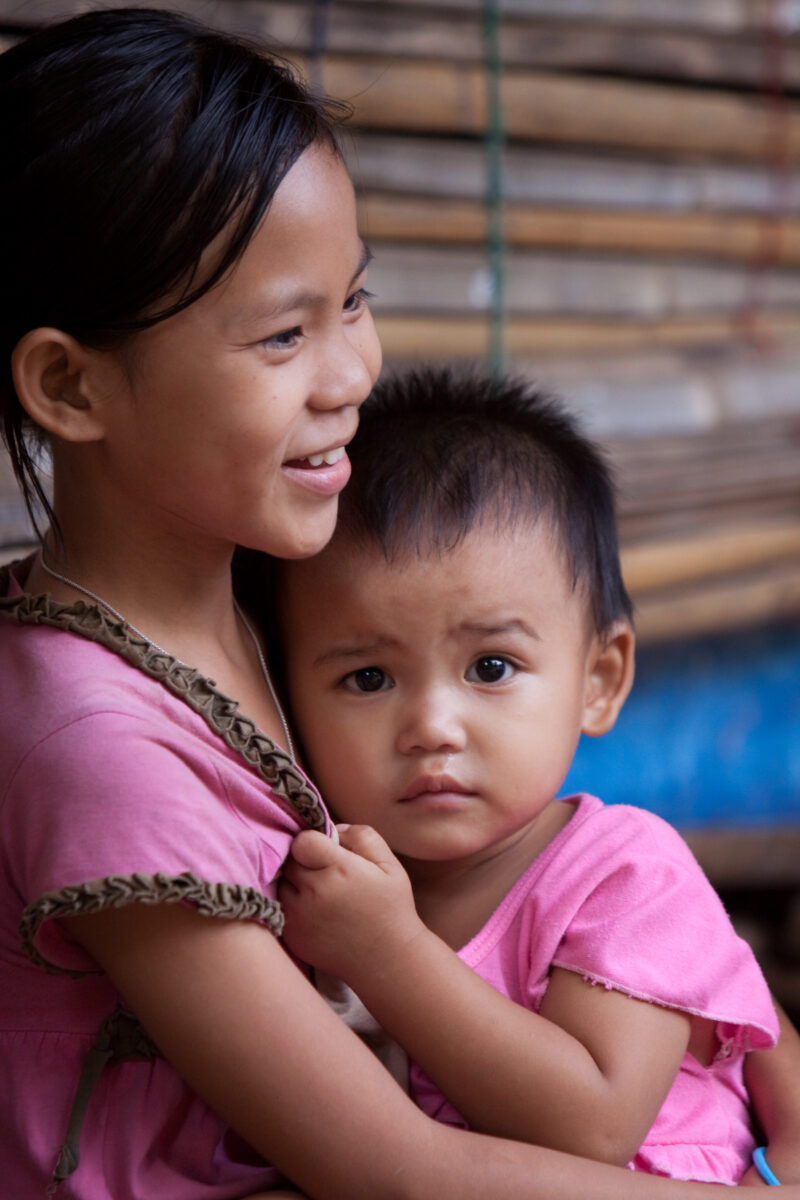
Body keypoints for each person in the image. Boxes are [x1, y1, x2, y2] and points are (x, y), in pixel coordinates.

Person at [2, 8, 800, 1199]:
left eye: (354, 303)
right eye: (283, 335)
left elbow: (698, 980)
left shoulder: (273, 614)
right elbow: (389, 1168)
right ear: (71, 384)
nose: (350, 377)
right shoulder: (100, 746)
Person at [274, 366, 800, 1187]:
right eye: (368, 678)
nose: (433, 729)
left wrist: (389, 954)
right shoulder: (330, 880)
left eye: (490, 666)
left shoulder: (625, 873)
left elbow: (593, 1123)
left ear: (597, 678)